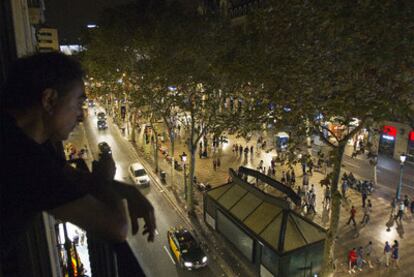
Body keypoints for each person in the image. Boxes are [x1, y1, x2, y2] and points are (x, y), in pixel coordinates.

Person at [1, 53, 156, 276]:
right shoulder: (23, 158)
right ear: (49, 100)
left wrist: (126, 190)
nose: (81, 116)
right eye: (78, 103)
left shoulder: (26, 140)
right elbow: (117, 229)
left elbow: (70, 177)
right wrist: (104, 181)